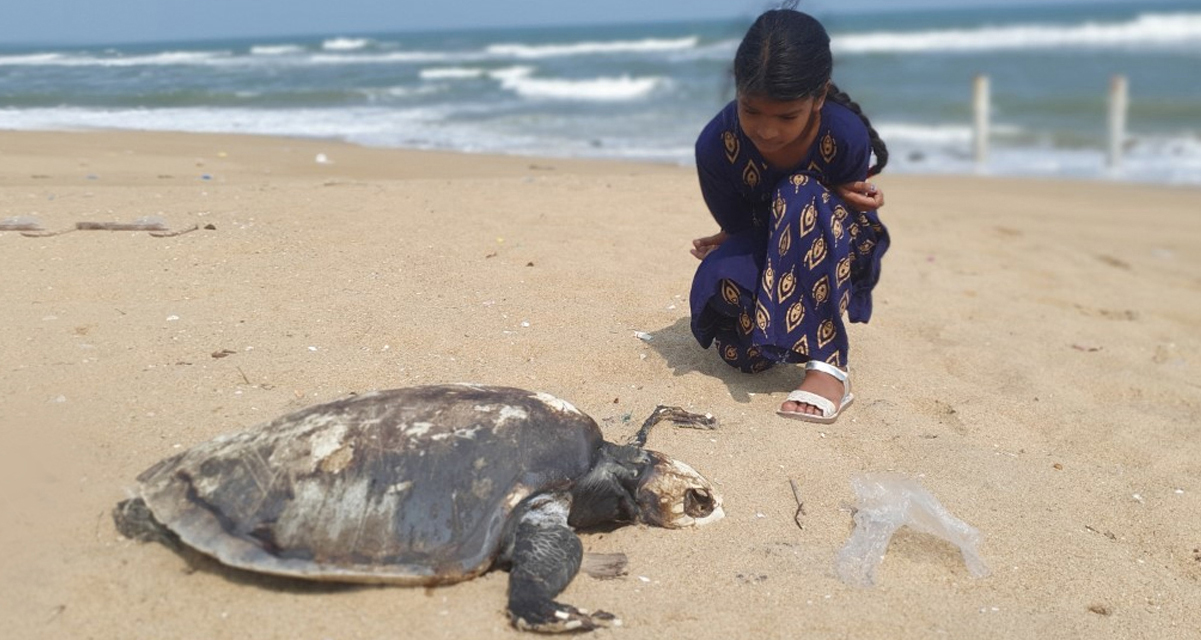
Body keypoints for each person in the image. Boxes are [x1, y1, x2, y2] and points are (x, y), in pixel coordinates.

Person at [688, 4, 890, 424]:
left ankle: (829, 365)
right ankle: (787, 329)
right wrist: (728, 240)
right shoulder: (715, 145)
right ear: (737, 91)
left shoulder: (844, 135)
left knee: (798, 191)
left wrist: (837, 193)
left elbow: (844, 218)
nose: (766, 130)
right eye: (751, 110)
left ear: (818, 97)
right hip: (768, 238)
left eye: (787, 116)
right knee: (743, 347)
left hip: (834, 244)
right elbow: (744, 226)